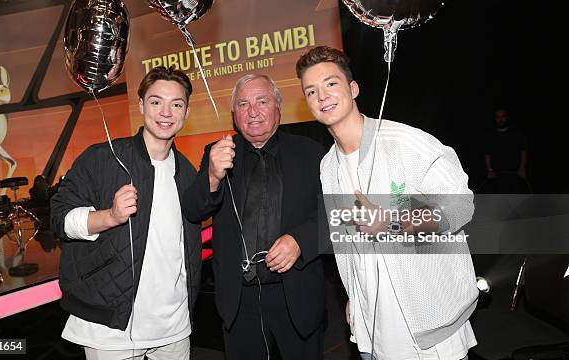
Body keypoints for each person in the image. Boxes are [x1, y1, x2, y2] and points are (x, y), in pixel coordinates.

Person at [297, 46, 478, 360]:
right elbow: (347, 243)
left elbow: (462, 206)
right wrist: (354, 295)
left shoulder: (403, 143)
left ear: (353, 89)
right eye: (311, 91)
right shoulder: (328, 168)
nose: (322, 96)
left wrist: (395, 222)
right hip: (372, 329)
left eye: (331, 84)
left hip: (429, 326)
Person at [51, 66, 201, 360]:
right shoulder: (102, 158)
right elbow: (60, 219)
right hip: (111, 328)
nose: (166, 112)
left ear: (186, 111)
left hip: (175, 326)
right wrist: (110, 217)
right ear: (142, 105)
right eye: (156, 101)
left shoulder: (188, 172)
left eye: (176, 104)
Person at [182, 74, 326, 359]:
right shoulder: (217, 153)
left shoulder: (312, 154)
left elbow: (335, 216)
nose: (253, 111)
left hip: (297, 297)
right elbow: (193, 210)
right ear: (235, 115)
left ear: (278, 107)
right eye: (243, 104)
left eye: (262, 101)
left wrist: (301, 240)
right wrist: (212, 176)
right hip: (239, 302)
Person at [484, 108, 528, 193]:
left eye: (503, 117)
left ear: (507, 117)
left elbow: (523, 151)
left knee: (516, 198)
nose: (500, 119)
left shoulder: (516, 133)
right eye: (498, 117)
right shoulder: (490, 136)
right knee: (500, 197)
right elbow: (487, 154)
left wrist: (522, 169)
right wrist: (489, 170)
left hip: (515, 173)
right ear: (495, 119)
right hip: (497, 174)